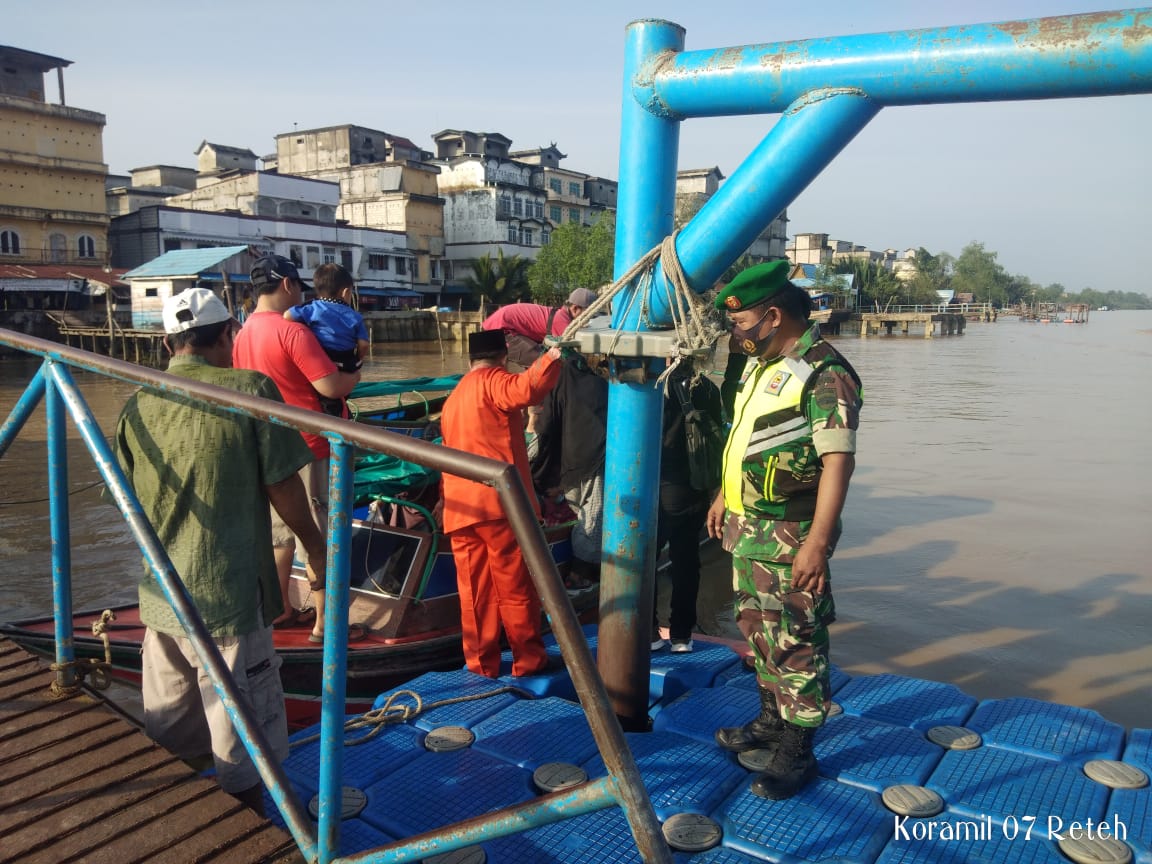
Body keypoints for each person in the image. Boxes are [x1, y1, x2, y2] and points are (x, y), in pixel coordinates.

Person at [112, 288, 326, 815]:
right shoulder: (248, 389)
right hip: (227, 600)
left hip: (161, 600)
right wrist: (317, 551)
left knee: (169, 735)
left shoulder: (138, 402)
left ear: (167, 345)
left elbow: (126, 497)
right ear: (228, 336)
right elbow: (286, 488)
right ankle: (260, 835)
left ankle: (178, 822)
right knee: (246, 749)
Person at [705, 259, 862, 801]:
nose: (736, 334)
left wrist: (818, 543)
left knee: (796, 639)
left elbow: (838, 462)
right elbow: (749, 437)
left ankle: (799, 750)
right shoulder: (765, 364)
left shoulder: (825, 373)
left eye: (741, 324)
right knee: (757, 630)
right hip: (749, 529)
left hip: (792, 534)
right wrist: (726, 493)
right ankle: (771, 719)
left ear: (773, 316)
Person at [233, 254, 360, 640]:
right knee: (319, 535)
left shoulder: (243, 332)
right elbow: (331, 387)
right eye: (300, 288)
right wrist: (356, 369)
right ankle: (326, 625)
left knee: (280, 536)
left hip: (267, 445)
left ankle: (280, 608)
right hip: (309, 446)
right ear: (287, 285)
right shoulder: (293, 332)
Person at [440, 329, 564, 678]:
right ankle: (528, 661)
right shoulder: (493, 381)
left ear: (469, 361)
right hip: (499, 507)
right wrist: (554, 356)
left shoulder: (455, 397)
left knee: (474, 594)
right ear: (502, 358)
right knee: (515, 588)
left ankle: (480, 665)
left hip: (461, 510)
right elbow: (527, 389)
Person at [651, 367, 724, 653]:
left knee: (646, 563)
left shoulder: (653, 386)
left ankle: (649, 633)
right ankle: (682, 634)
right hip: (694, 486)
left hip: (657, 487)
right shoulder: (707, 388)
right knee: (687, 562)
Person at [529, 350, 609, 590]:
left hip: (572, 460)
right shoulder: (608, 381)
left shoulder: (562, 375)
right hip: (594, 458)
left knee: (582, 513)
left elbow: (547, 424)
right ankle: (583, 574)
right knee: (592, 518)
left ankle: (581, 570)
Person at [283, 262, 370, 416]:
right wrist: (358, 358)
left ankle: (331, 406)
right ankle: (341, 406)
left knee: (324, 393)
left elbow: (287, 316)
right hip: (345, 360)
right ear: (345, 292)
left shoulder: (312, 308)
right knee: (354, 373)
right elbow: (363, 344)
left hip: (321, 358)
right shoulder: (354, 316)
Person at [481, 287, 599, 368]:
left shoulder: (560, 315)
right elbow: (568, 352)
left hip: (502, 325)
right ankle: (540, 402)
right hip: (500, 330)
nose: (588, 318)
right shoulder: (561, 322)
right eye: (587, 314)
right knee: (544, 363)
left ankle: (535, 400)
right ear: (575, 308)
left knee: (539, 359)